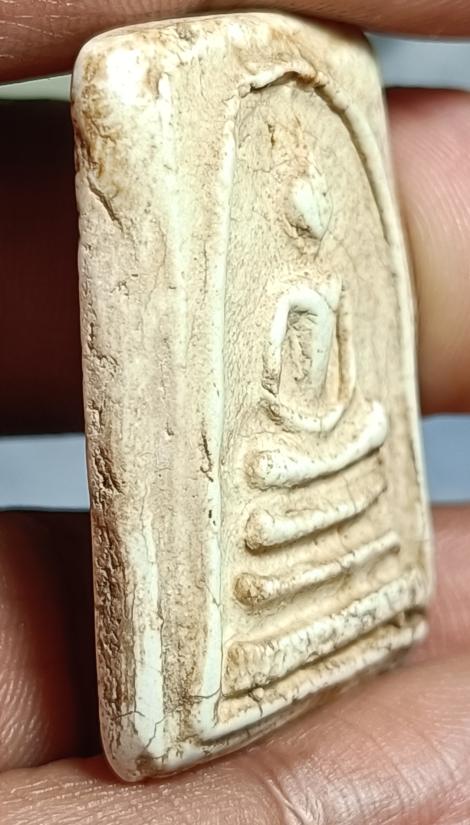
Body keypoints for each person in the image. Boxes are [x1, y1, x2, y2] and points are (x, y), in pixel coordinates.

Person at [0, 1, 469, 822]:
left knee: (356, 444)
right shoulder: (288, 296)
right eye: (301, 206)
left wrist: (327, 423)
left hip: (325, 436)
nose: (311, 219)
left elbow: (348, 377)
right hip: (276, 445)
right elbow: (270, 383)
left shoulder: (322, 283)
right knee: (255, 482)